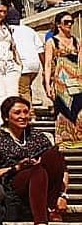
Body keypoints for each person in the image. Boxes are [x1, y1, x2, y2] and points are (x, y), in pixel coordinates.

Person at [0, 96, 68, 225]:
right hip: (12, 181)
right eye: (17, 113)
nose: (23, 116)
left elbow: (62, 168)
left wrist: (63, 195)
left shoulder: (35, 135)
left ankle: (52, 205)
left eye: (25, 112)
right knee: (37, 170)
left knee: (54, 153)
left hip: (41, 179)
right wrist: (17, 167)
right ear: (6, 117)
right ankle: (41, 224)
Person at [44, 11, 82, 151]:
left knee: (79, 109)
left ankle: (78, 138)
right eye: (66, 22)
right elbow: (48, 63)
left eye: (71, 21)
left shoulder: (77, 40)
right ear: (59, 24)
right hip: (61, 80)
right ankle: (64, 139)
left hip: (77, 78)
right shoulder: (52, 41)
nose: (70, 24)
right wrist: (48, 84)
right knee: (64, 110)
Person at [10, 19, 44, 105]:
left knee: (23, 91)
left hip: (23, 65)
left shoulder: (8, 30)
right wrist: (44, 67)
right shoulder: (29, 30)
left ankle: (30, 114)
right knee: (27, 88)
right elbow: (40, 49)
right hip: (34, 65)